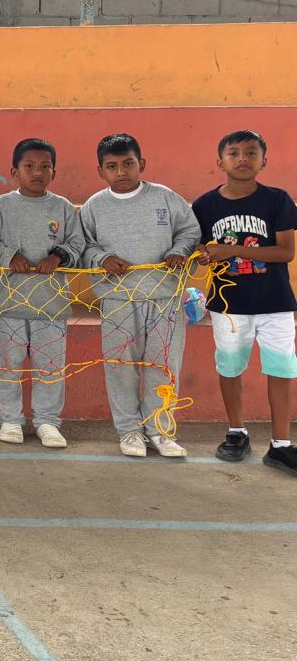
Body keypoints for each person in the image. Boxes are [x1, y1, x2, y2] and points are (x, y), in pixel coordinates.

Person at [81, 133, 199, 458]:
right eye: (112, 166)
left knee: (164, 366)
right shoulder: (93, 207)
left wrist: (179, 250)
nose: (121, 171)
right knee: (121, 367)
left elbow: (190, 231)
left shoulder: (165, 197)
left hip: (165, 298)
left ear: (141, 164)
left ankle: (160, 430)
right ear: (100, 171)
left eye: (128, 163)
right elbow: (83, 245)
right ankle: (129, 431)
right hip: (118, 301)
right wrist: (102, 258)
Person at [191, 130, 297, 476]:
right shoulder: (204, 205)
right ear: (219, 161)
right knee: (230, 368)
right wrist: (202, 255)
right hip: (229, 305)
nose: (242, 159)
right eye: (233, 153)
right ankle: (236, 432)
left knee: (281, 369)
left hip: (276, 303)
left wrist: (233, 249)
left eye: (251, 152)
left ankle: (281, 444)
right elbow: (198, 247)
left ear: (264, 161)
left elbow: (286, 251)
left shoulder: (278, 200)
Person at [0, 139, 84, 449]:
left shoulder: (63, 208)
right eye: (29, 166)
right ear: (14, 172)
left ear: (54, 172)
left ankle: (47, 421)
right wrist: (9, 256)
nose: (37, 172)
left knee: (50, 367)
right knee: (8, 366)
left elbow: (78, 243)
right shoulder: (0, 207)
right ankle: (10, 419)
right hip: (8, 304)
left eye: (45, 167)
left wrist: (58, 256)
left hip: (51, 305)